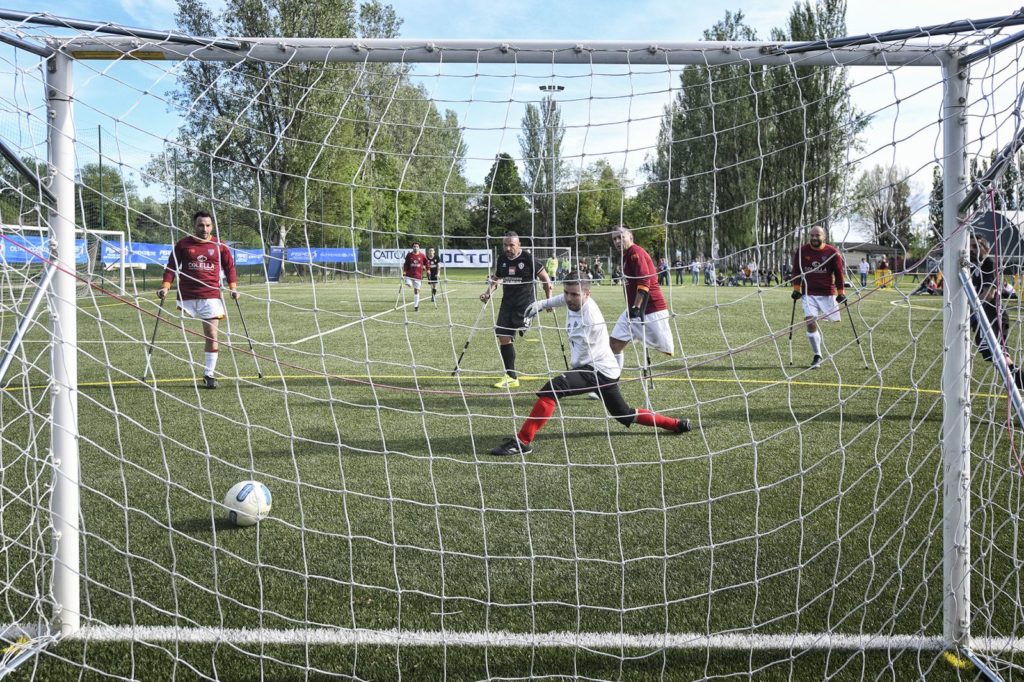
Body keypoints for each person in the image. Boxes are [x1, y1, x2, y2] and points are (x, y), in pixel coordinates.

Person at [489, 271, 691, 456]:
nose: (569, 298)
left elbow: (581, 360)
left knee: (553, 388)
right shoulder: (572, 299)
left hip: (597, 370)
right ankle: (676, 424)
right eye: (567, 292)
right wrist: (540, 305)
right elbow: (560, 300)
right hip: (606, 371)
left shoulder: (590, 319)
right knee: (624, 414)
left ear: (587, 294)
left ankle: (522, 441)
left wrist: (572, 374)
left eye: (574, 295)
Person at [159, 210, 239, 390]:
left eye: (208, 225)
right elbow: (171, 267)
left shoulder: (219, 245)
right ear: (194, 226)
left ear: (212, 226)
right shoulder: (183, 244)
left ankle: (209, 374)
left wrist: (233, 288)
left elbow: (230, 267)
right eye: (201, 225)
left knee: (212, 334)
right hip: (187, 295)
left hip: (210, 296)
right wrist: (165, 286)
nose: (205, 229)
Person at [480, 231, 553, 389]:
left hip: (525, 304)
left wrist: (549, 301)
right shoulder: (502, 259)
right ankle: (511, 377)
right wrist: (487, 293)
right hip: (507, 303)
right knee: (503, 336)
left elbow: (546, 280)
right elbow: (497, 279)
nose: (508, 248)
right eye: (505, 245)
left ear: (519, 245)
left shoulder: (528, 259)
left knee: (520, 328)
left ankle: (527, 320)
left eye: (511, 245)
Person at [609, 226, 675, 371]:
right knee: (614, 344)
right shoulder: (626, 256)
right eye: (614, 239)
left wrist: (636, 307)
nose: (617, 241)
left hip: (650, 310)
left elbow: (645, 281)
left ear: (631, 237)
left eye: (621, 237)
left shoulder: (635, 253)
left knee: (664, 346)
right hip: (633, 311)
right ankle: (612, 381)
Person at [969, 235, 1023, 387]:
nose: (971, 250)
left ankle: (1020, 383)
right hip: (982, 316)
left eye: (975, 246)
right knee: (995, 356)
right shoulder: (972, 265)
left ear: (985, 249)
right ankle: (1018, 382)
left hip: (992, 315)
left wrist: (968, 302)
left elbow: (989, 294)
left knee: (998, 356)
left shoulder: (988, 263)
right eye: (969, 246)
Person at [790, 225, 846, 369]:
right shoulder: (802, 251)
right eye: (812, 235)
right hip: (809, 294)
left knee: (835, 323)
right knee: (810, 322)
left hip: (827, 293)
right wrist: (796, 289)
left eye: (817, 235)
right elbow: (796, 270)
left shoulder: (833, 252)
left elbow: (839, 274)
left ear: (824, 237)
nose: (814, 238)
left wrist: (841, 293)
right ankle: (817, 355)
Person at [402, 242, 431, 311]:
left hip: (418, 276)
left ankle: (416, 306)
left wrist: (428, 269)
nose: (415, 248)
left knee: (416, 291)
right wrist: (404, 271)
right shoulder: (409, 255)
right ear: (412, 247)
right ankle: (409, 283)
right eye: (414, 246)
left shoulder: (422, 255)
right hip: (409, 275)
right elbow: (406, 264)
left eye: (417, 246)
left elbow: (427, 263)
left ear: (419, 248)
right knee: (409, 284)